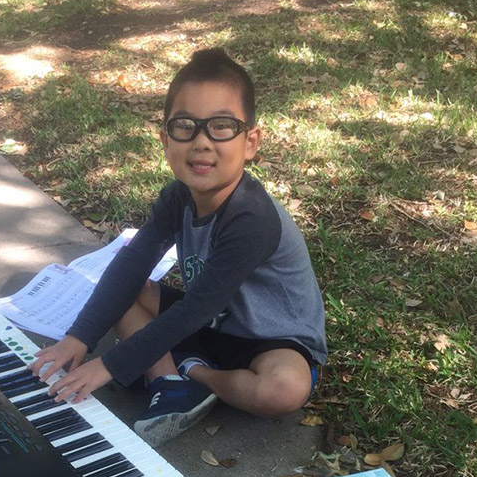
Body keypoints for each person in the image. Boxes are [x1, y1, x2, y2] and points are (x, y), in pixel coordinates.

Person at [29, 48, 327, 447]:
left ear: (251, 141)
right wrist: (78, 338)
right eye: (186, 126)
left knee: (284, 390)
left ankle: (193, 374)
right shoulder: (177, 196)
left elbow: (198, 306)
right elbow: (133, 263)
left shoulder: (252, 218)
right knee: (129, 287)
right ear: (165, 140)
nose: (202, 142)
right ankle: (167, 384)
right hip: (209, 326)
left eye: (221, 126)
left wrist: (110, 365)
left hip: (269, 341)